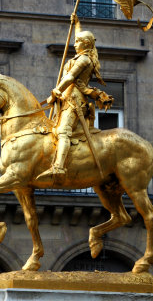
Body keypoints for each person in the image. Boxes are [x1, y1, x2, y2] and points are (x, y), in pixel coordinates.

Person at [37, 13, 113, 183]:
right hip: (66, 97)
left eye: (78, 41)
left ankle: (59, 166)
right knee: (54, 130)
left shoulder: (85, 60)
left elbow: (70, 78)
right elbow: (79, 37)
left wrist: (56, 90)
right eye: (75, 40)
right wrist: (77, 24)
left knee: (63, 131)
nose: (74, 43)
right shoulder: (81, 56)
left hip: (74, 100)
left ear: (85, 45)